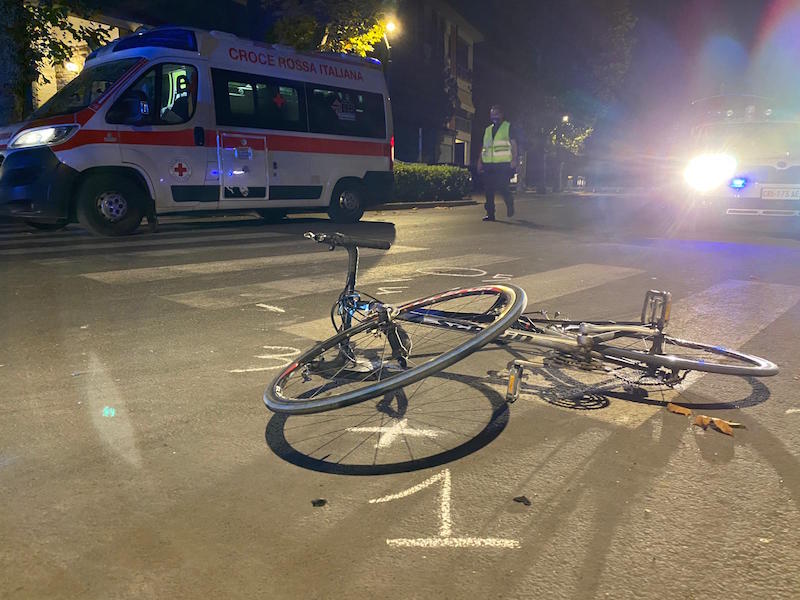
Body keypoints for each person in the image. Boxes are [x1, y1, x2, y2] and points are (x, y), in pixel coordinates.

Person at [477, 105, 519, 221]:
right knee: (488, 190)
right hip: (489, 164)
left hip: (503, 164)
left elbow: (514, 144)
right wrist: (479, 161)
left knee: (502, 187)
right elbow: (484, 147)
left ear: (501, 115)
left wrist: (514, 159)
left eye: (496, 114)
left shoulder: (508, 127)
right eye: (492, 114)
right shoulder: (488, 130)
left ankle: (509, 203)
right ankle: (490, 214)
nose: (493, 117)